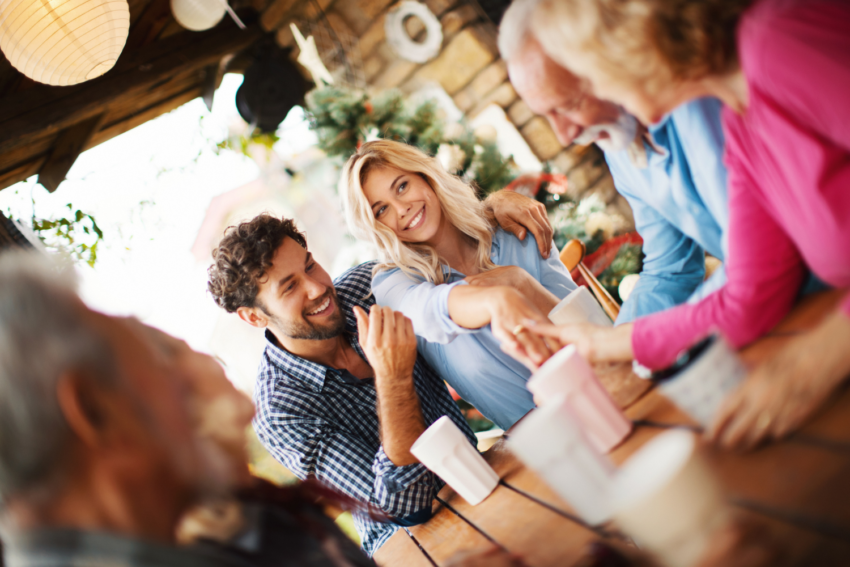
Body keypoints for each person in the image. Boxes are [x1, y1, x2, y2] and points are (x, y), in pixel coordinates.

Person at [527, 0, 850, 449]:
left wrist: (828, 350)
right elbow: (748, 298)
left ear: (629, 41)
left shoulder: (777, 40)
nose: (598, 94)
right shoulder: (739, 121)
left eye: (586, 77)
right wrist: (597, 347)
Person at [206, 191, 552, 557]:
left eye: (309, 265)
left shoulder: (364, 289)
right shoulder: (280, 412)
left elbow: (436, 249)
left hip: (482, 477)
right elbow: (397, 507)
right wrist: (393, 377)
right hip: (412, 546)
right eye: (290, 287)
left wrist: (492, 207)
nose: (318, 287)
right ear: (254, 316)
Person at [499, 0, 730, 326]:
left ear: (604, 63)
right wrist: (616, 342)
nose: (564, 136)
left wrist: (638, 342)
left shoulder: (701, 100)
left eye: (569, 104)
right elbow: (670, 266)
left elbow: (762, 262)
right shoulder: (619, 150)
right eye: (546, 114)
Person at [340, 140, 576, 431]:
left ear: (425, 177)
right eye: (381, 210)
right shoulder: (394, 285)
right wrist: (498, 298)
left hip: (608, 389)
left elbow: (583, 323)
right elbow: (431, 309)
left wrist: (520, 282)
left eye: (402, 186)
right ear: (375, 225)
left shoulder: (512, 229)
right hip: (549, 446)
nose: (401, 209)